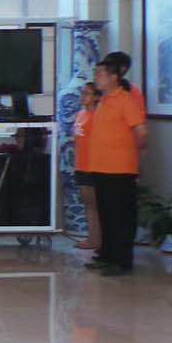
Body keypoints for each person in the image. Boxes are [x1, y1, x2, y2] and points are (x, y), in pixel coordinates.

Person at [88, 61, 147, 276]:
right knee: (106, 214)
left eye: (99, 74)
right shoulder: (103, 100)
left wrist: (137, 155)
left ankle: (122, 261)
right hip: (101, 167)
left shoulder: (125, 100)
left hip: (120, 169)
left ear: (113, 77)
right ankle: (107, 255)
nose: (96, 77)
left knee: (121, 216)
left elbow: (141, 132)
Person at [73, 81, 102, 252]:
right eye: (82, 92)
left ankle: (98, 240)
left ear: (96, 97)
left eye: (87, 93)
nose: (83, 96)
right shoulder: (80, 114)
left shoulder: (98, 116)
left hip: (94, 166)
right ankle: (92, 238)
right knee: (88, 204)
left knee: (95, 204)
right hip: (81, 165)